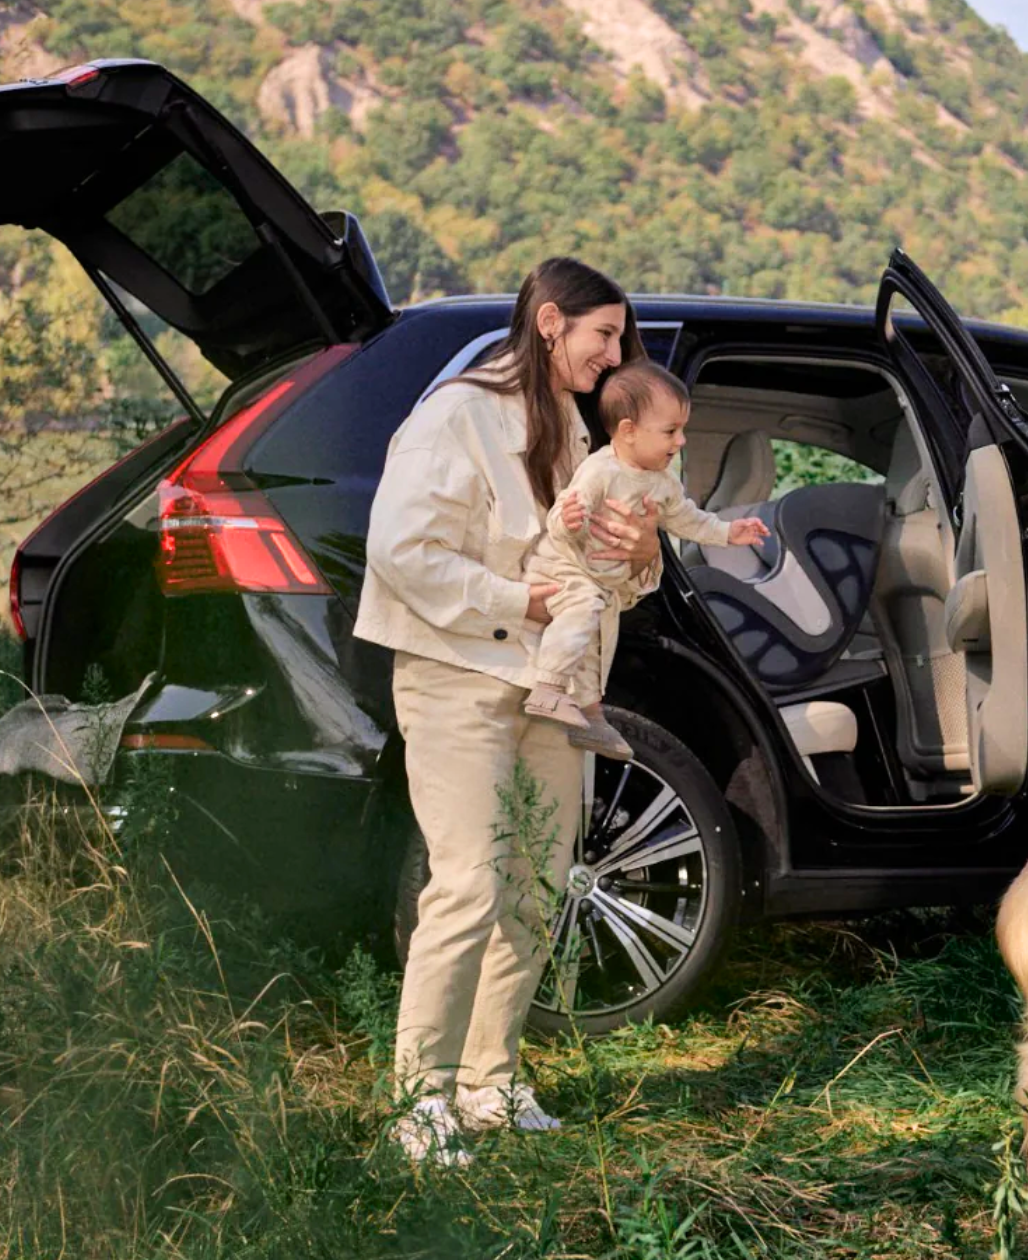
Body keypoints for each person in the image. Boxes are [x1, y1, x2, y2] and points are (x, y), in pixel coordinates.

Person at [354, 256, 663, 1164]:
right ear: (550, 323)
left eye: (619, 339)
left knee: (534, 890)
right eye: (603, 335)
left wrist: (641, 554)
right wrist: (516, 602)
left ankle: (492, 1083)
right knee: (469, 887)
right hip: (456, 680)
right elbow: (402, 551)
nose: (615, 356)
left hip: (555, 694)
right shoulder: (454, 416)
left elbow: (612, 585)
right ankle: (420, 1101)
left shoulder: (583, 434)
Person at [521, 362, 770, 758]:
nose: (681, 441)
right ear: (628, 431)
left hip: (601, 583)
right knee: (582, 612)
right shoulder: (601, 471)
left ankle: (588, 715)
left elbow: (687, 518)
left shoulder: (664, 481)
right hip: (563, 565)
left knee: (597, 642)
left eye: (682, 429)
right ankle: (547, 690)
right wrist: (568, 520)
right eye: (671, 431)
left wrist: (727, 532)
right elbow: (563, 517)